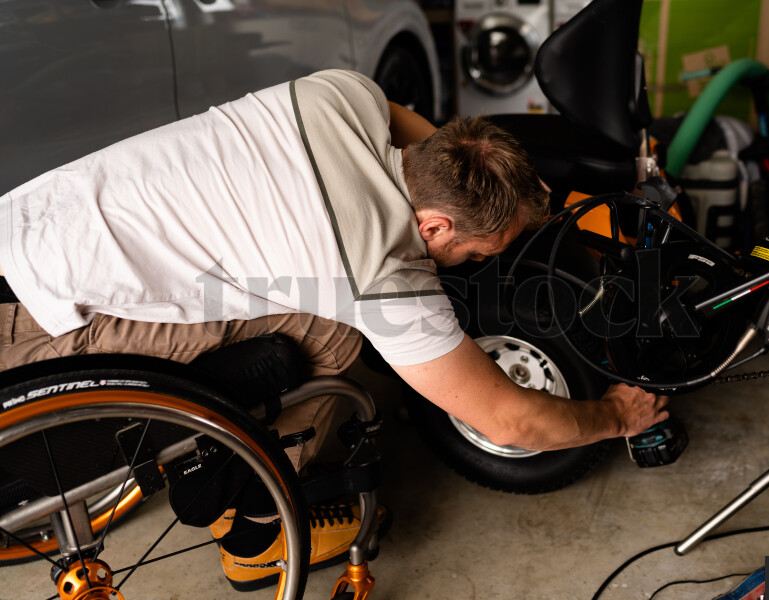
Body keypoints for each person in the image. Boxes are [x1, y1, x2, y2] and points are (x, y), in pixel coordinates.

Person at [0, 70, 668, 587]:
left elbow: (422, 134)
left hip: (24, 226)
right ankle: (258, 533)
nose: (478, 263)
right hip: (40, 324)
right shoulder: (379, 268)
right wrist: (613, 413)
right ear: (434, 226)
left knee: (305, 299)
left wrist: (490, 204)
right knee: (332, 336)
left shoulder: (342, 94)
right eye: (479, 251)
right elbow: (509, 423)